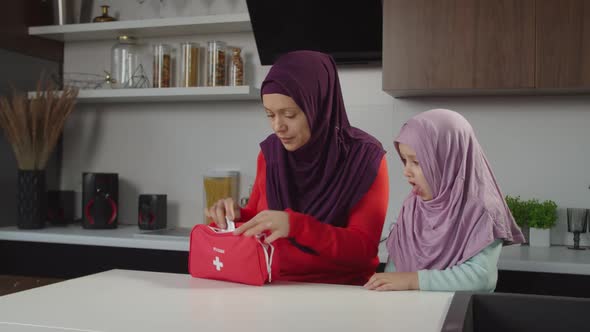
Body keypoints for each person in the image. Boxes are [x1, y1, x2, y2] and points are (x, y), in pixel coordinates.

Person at [205, 50, 389, 285]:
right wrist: (235, 216)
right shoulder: (270, 153)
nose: (278, 126)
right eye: (270, 115)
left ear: (318, 106)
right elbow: (260, 219)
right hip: (274, 285)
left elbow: (363, 248)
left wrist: (297, 226)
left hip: (342, 294)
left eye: (289, 114)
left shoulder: (364, 157)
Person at [365, 109, 524, 292]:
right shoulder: (412, 206)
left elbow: (481, 278)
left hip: (454, 313)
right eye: (405, 160)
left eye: (416, 162)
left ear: (447, 160)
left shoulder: (484, 210)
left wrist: (412, 280)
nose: (406, 171)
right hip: (409, 311)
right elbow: (394, 272)